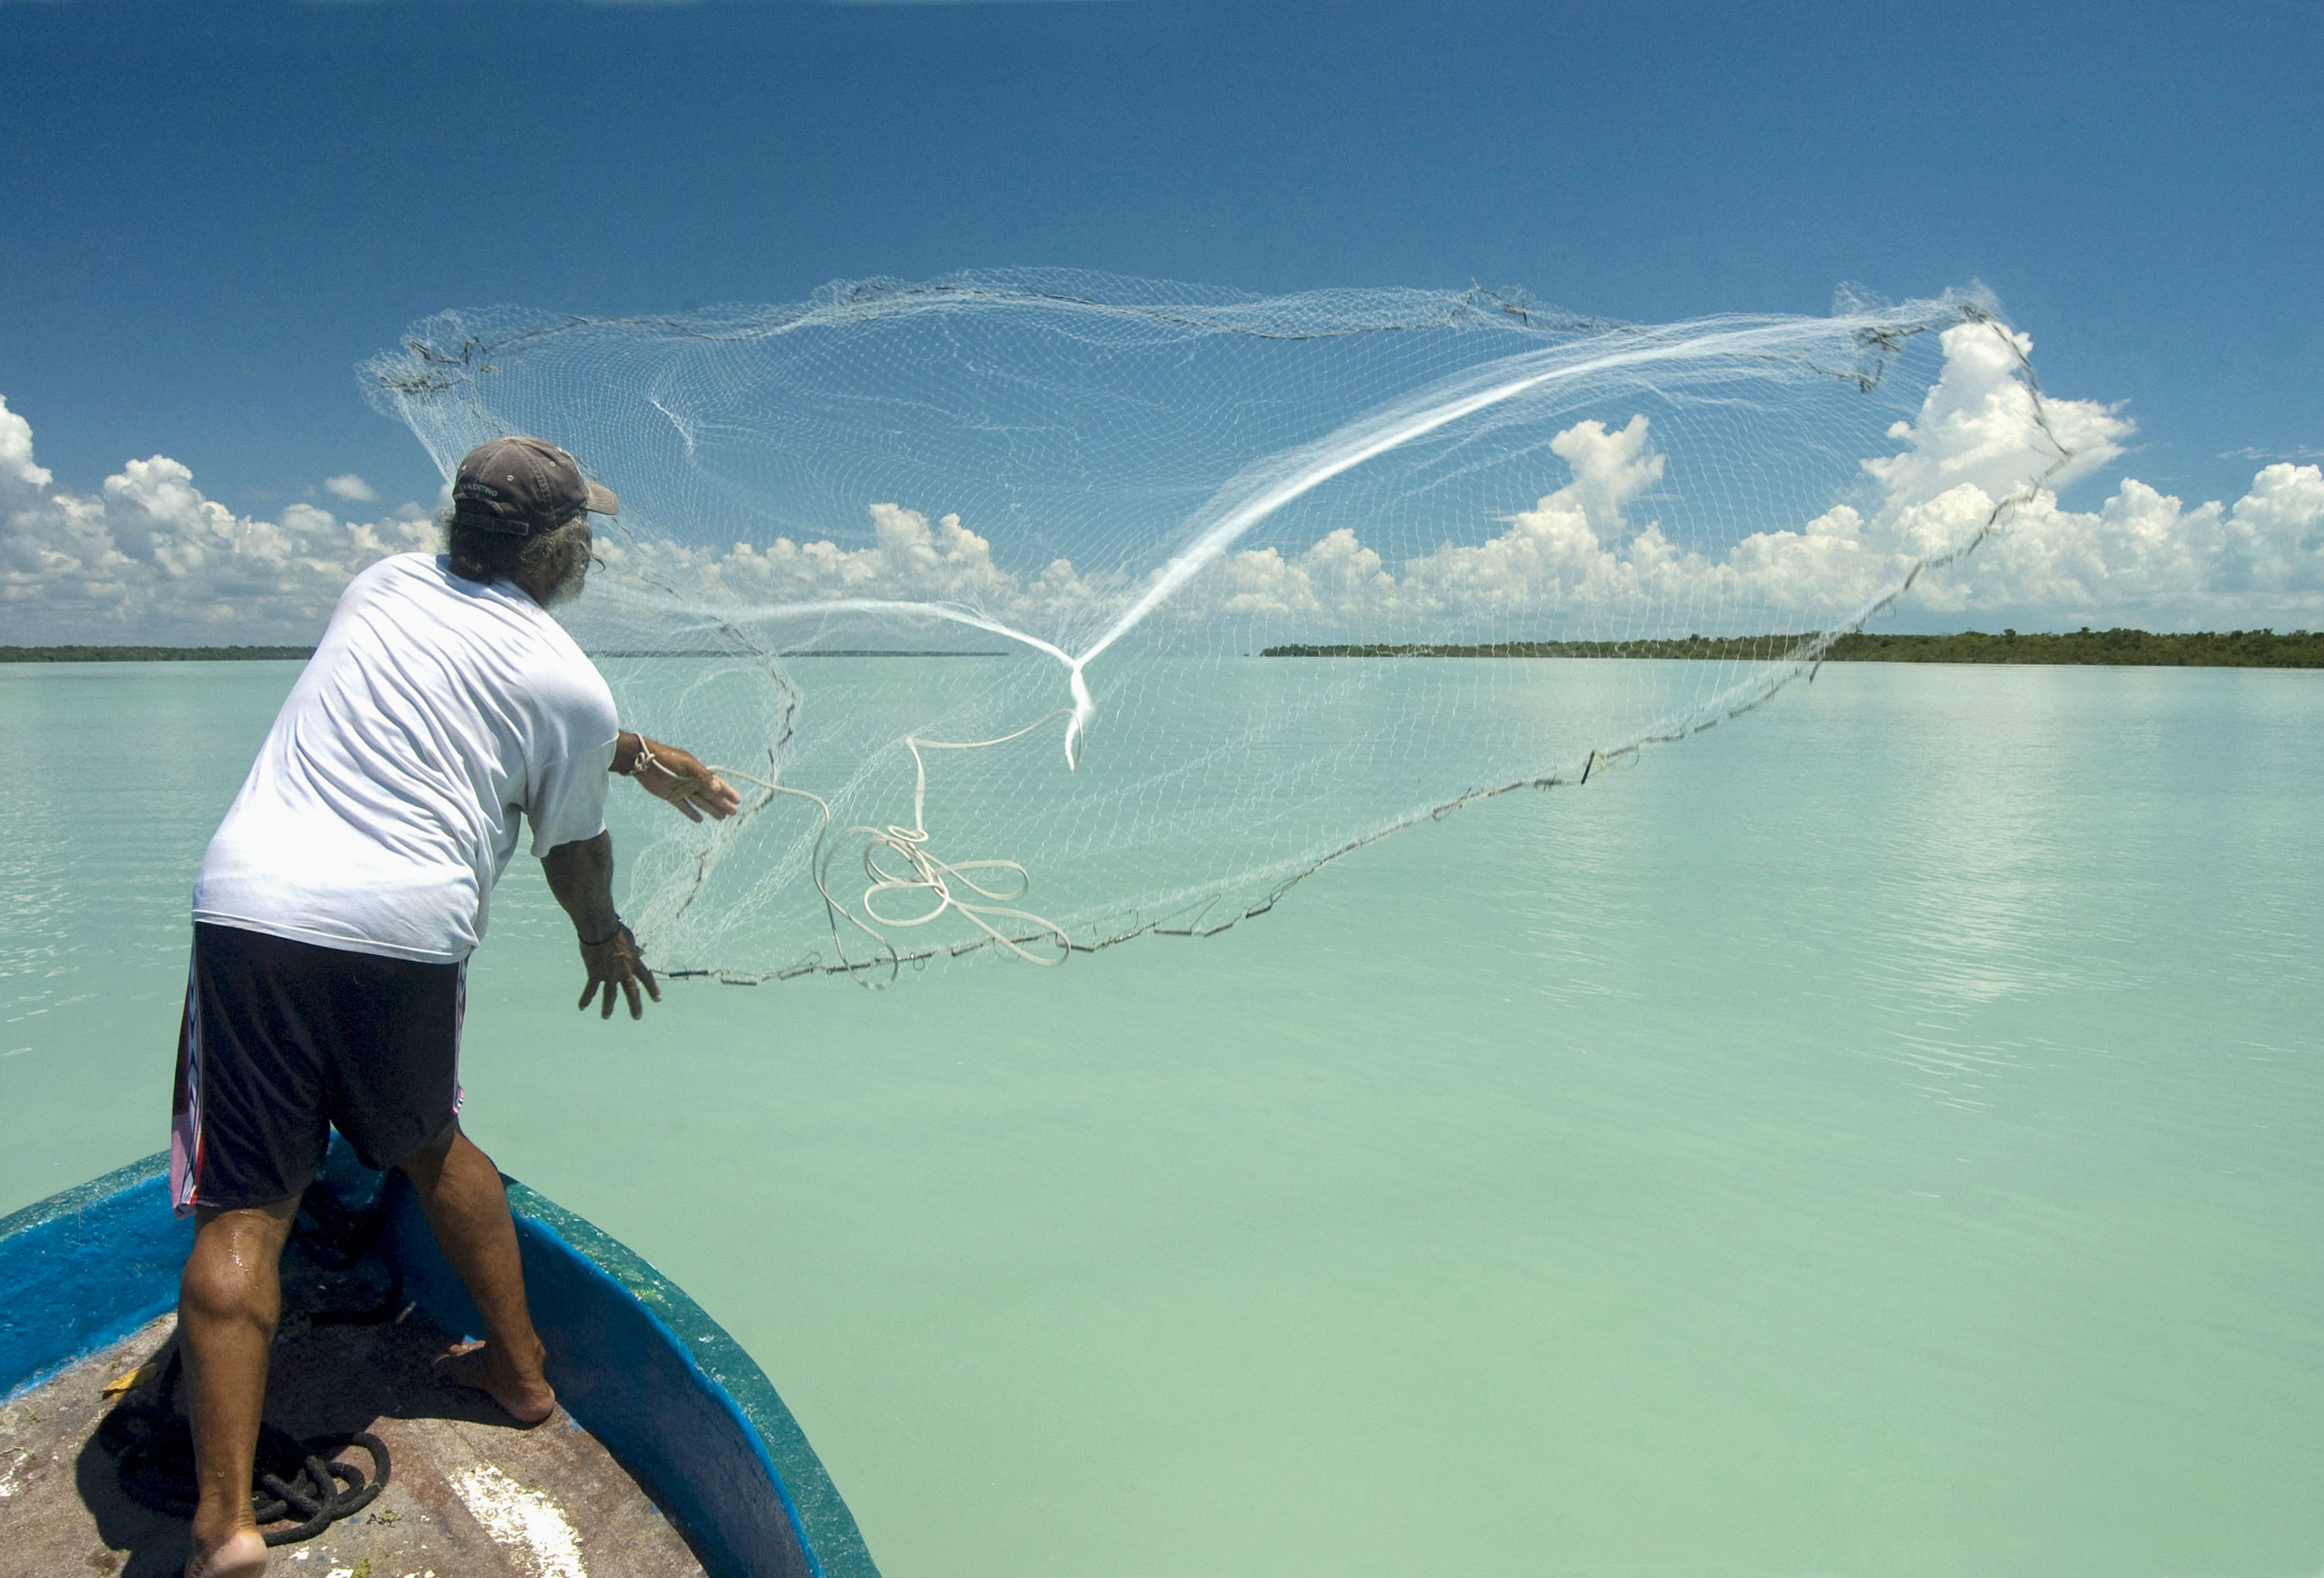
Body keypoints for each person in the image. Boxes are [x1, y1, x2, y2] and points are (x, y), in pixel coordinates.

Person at [168, 436, 741, 1578]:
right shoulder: (571, 681)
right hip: (403, 933)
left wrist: (630, 753)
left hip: (253, 909)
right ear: (568, 549)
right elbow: (572, 850)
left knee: (244, 1209)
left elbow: (469, 689)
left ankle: (225, 1523)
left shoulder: (377, 583)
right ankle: (522, 1375)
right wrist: (605, 935)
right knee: (431, 1141)